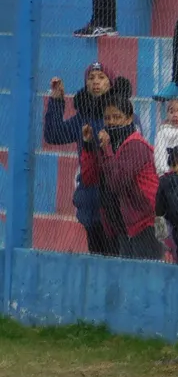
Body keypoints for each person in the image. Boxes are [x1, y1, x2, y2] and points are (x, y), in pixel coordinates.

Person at [43, 63, 136, 256]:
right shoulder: (82, 116)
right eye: (91, 78)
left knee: (116, 254)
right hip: (90, 198)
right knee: (96, 254)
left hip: (115, 196)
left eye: (101, 77)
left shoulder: (122, 115)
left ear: (110, 83)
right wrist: (57, 101)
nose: (95, 82)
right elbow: (54, 135)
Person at [79, 97, 161, 260]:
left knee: (143, 274)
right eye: (108, 118)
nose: (111, 122)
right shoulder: (111, 144)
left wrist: (106, 150)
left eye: (117, 117)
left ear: (129, 118)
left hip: (145, 222)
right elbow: (90, 177)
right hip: (121, 223)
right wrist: (89, 145)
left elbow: (116, 182)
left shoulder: (134, 145)